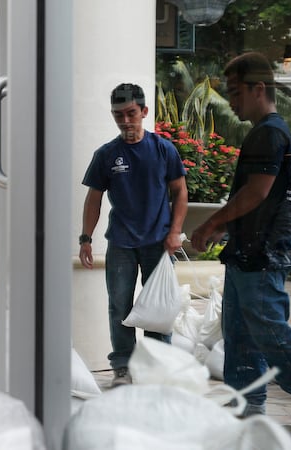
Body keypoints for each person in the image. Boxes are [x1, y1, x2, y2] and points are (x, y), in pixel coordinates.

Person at [191, 52, 291, 445]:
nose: (232, 100)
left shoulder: (268, 134)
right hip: (250, 252)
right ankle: (247, 404)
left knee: (271, 332)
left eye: (236, 92)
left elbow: (256, 192)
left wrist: (211, 222)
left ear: (259, 89)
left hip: (261, 255)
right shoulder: (273, 133)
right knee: (239, 334)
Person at [79, 83, 188, 387]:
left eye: (130, 114)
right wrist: (85, 238)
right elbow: (94, 198)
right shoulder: (106, 155)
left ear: (144, 112)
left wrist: (175, 231)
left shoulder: (163, 149)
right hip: (122, 244)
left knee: (159, 307)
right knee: (120, 307)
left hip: (159, 243)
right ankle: (124, 367)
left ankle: (156, 365)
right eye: (118, 115)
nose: (125, 121)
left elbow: (180, 191)